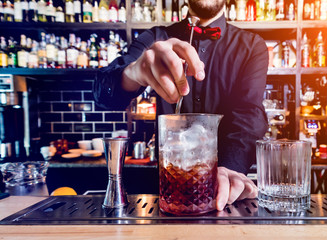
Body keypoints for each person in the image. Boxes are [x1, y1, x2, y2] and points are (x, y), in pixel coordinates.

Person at [93, 0, 268, 211]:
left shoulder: (251, 46)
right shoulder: (154, 39)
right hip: (169, 194)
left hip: (227, 196)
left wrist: (231, 168)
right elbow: (102, 94)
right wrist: (133, 72)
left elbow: (249, 113)